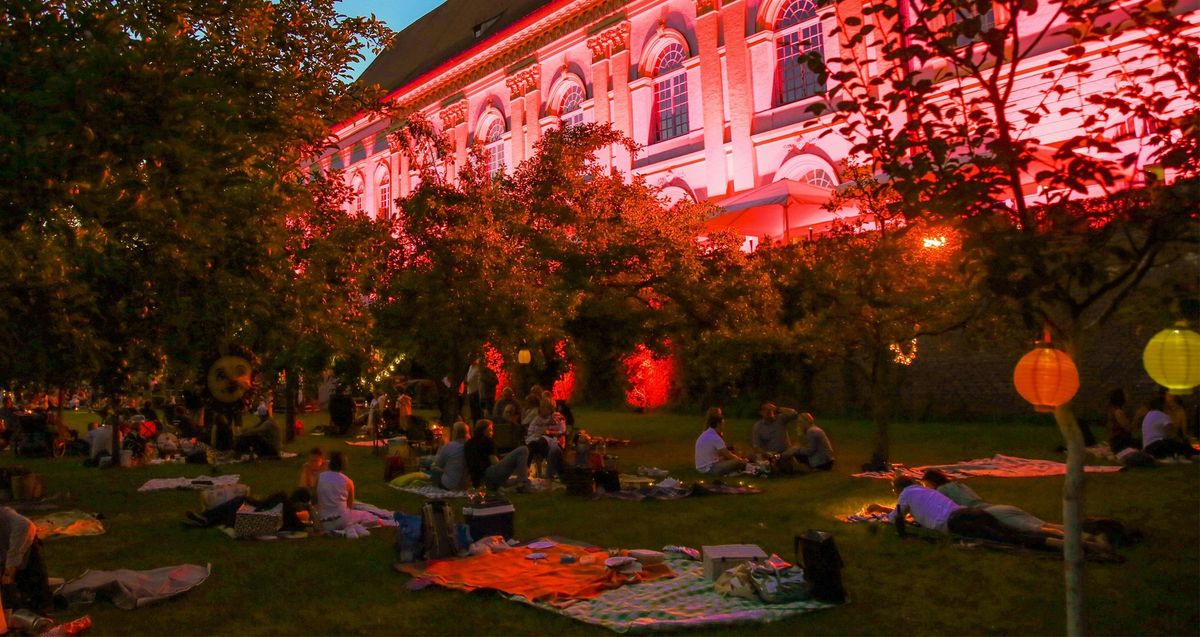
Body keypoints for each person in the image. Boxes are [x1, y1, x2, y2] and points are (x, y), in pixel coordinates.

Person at [882, 476, 1050, 549]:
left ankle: (1057, 546)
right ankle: (1060, 538)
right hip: (970, 512)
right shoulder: (927, 491)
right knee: (1013, 530)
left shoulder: (906, 494)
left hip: (956, 522)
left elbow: (895, 517)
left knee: (1007, 540)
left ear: (898, 489)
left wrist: (882, 515)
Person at [0, 507, 51, 614]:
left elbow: (25, 526)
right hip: (5, 552)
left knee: (33, 592)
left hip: (24, 549)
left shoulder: (15, 522)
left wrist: (8, 574)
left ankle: (34, 605)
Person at [185, 489, 310, 533]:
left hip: (242, 517)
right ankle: (205, 519)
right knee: (237, 503)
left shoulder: (281, 498)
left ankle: (205, 518)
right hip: (242, 519)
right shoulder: (291, 517)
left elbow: (261, 504)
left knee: (238, 501)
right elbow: (314, 527)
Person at [315, 452, 381, 532]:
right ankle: (354, 527)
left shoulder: (320, 477)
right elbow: (350, 505)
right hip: (343, 520)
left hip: (324, 522)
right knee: (368, 516)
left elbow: (315, 498)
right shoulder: (348, 482)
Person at [465, 420, 530, 491]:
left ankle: (520, 482)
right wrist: (514, 465)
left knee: (516, 480)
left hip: (479, 482)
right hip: (489, 475)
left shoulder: (468, 443)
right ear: (484, 430)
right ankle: (523, 484)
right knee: (523, 449)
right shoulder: (487, 440)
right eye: (490, 430)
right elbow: (495, 462)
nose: (492, 433)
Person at [1141, 392, 1198, 460]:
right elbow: (1171, 434)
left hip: (1148, 448)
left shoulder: (1148, 415)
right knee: (1181, 445)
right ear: (1163, 405)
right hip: (1158, 445)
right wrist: (1181, 441)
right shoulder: (1163, 416)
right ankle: (1195, 454)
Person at [694, 408, 747, 476]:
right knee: (737, 462)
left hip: (701, 467)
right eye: (722, 424)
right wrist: (741, 460)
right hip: (710, 468)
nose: (723, 427)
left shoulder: (706, 433)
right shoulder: (715, 437)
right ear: (718, 424)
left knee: (728, 459)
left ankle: (733, 472)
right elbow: (728, 454)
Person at [524, 399, 563, 480]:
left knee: (540, 442)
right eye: (542, 408)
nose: (543, 410)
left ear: (550, 409)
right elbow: (531, 431)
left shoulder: (555, 418)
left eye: (546, 408)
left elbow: (561, 430)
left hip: (549, 441)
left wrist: (549, 431)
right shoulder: (537, 419)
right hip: (536, 440)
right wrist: (538, 433)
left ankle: (529, 468)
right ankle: (526, 469)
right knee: (532, 445)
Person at [431, 422, 470, 491]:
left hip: (449, 485)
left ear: (455, 432)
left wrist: (440, 447)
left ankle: (434, 487)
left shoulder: (448, 446)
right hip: (467, 485)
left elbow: (438, 464)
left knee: (433, 467)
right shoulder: (471, 446)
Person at [1104, 388, 1136, 453]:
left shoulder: (1112, 410)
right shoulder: (1118, 412)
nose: (1128, 396)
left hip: (1116, 442)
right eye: (1126, 395)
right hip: (1120, 443)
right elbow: (1129, 428)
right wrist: (1138, 416)